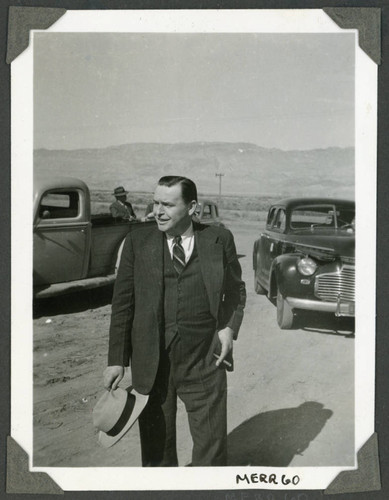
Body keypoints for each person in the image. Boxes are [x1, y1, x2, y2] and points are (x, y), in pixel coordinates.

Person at [103, 175, 246, 467]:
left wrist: (228, 328)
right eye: (155, 203)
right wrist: (117, 359)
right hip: (153, 364)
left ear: (192, 207)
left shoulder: (219, 240)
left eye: (167, 204)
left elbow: (235, 291)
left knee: (212, 447)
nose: (158, 211)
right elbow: (123, 305)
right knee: (157, 452)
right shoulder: (137, 242)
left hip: (205, 359)